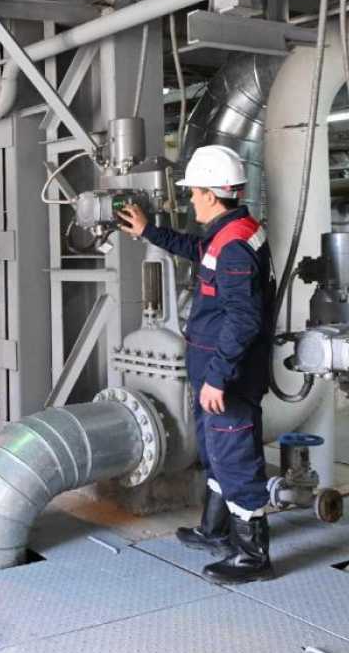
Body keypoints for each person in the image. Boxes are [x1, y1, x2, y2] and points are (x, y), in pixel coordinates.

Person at [116, 144, 275, 584]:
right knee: (215, 453)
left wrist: (219, 377)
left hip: (228, 378)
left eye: (192, 192)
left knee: (235, 458)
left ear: (209, 193)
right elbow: (196, 248)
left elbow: (243, 319)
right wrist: (150, 231)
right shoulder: (230, 231)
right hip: (214, 371)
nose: (189, 199)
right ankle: (215, 531)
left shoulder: (235, 246)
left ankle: (253, 557)